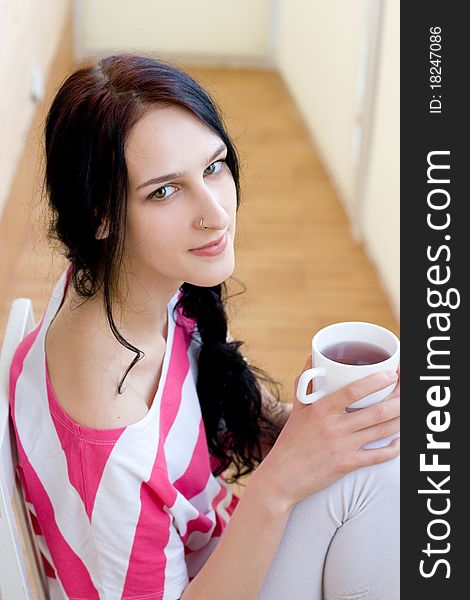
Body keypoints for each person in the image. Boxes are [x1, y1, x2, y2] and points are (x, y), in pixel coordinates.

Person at [9, 53, 400, 600]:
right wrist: (282, 478)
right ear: (99, 214)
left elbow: (203, 410)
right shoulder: (109, 442)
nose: (214, 212)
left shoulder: (116, 283)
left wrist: (318, 428)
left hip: (215, 543)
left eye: (214, 166)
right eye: (164, 191)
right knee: (383, 481)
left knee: (391, 458)